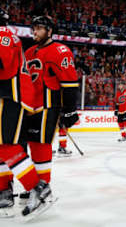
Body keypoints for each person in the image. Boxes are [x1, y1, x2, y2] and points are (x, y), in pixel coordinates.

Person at [0, 10, 55, 219]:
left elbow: (2, 62)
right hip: (8, 97)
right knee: (2, 147)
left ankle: (37, 188)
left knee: (6, 147)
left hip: (8, 97)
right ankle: (4, 192)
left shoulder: (3, 34)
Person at [23, 15, 80, 215]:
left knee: (41, 145)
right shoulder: (29, 51)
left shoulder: (60, 50)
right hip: (28, 104)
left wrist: (70, 109)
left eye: (38, 28)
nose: (34, 32)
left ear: (49, 31)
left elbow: (70, 82)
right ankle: (34, 185)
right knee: (28, 145)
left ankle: (43, 187)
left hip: (48, 104)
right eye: (33, 28)